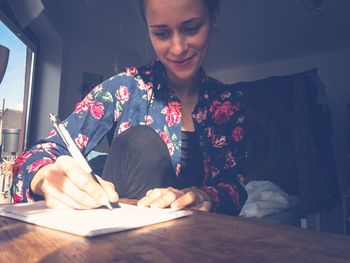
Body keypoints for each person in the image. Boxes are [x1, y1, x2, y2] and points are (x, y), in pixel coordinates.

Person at [11, 0, 248, 216]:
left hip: (196, 239)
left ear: (213, 18)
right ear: (147, 28)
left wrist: (205, 195)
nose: (177, 48)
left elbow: (234, 187)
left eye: (191, 28)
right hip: (123, 234)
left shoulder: (227, 103)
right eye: (161, 33)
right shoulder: (125, 87)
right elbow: (38, 155)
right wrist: (44, 177)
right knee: (141, 142)